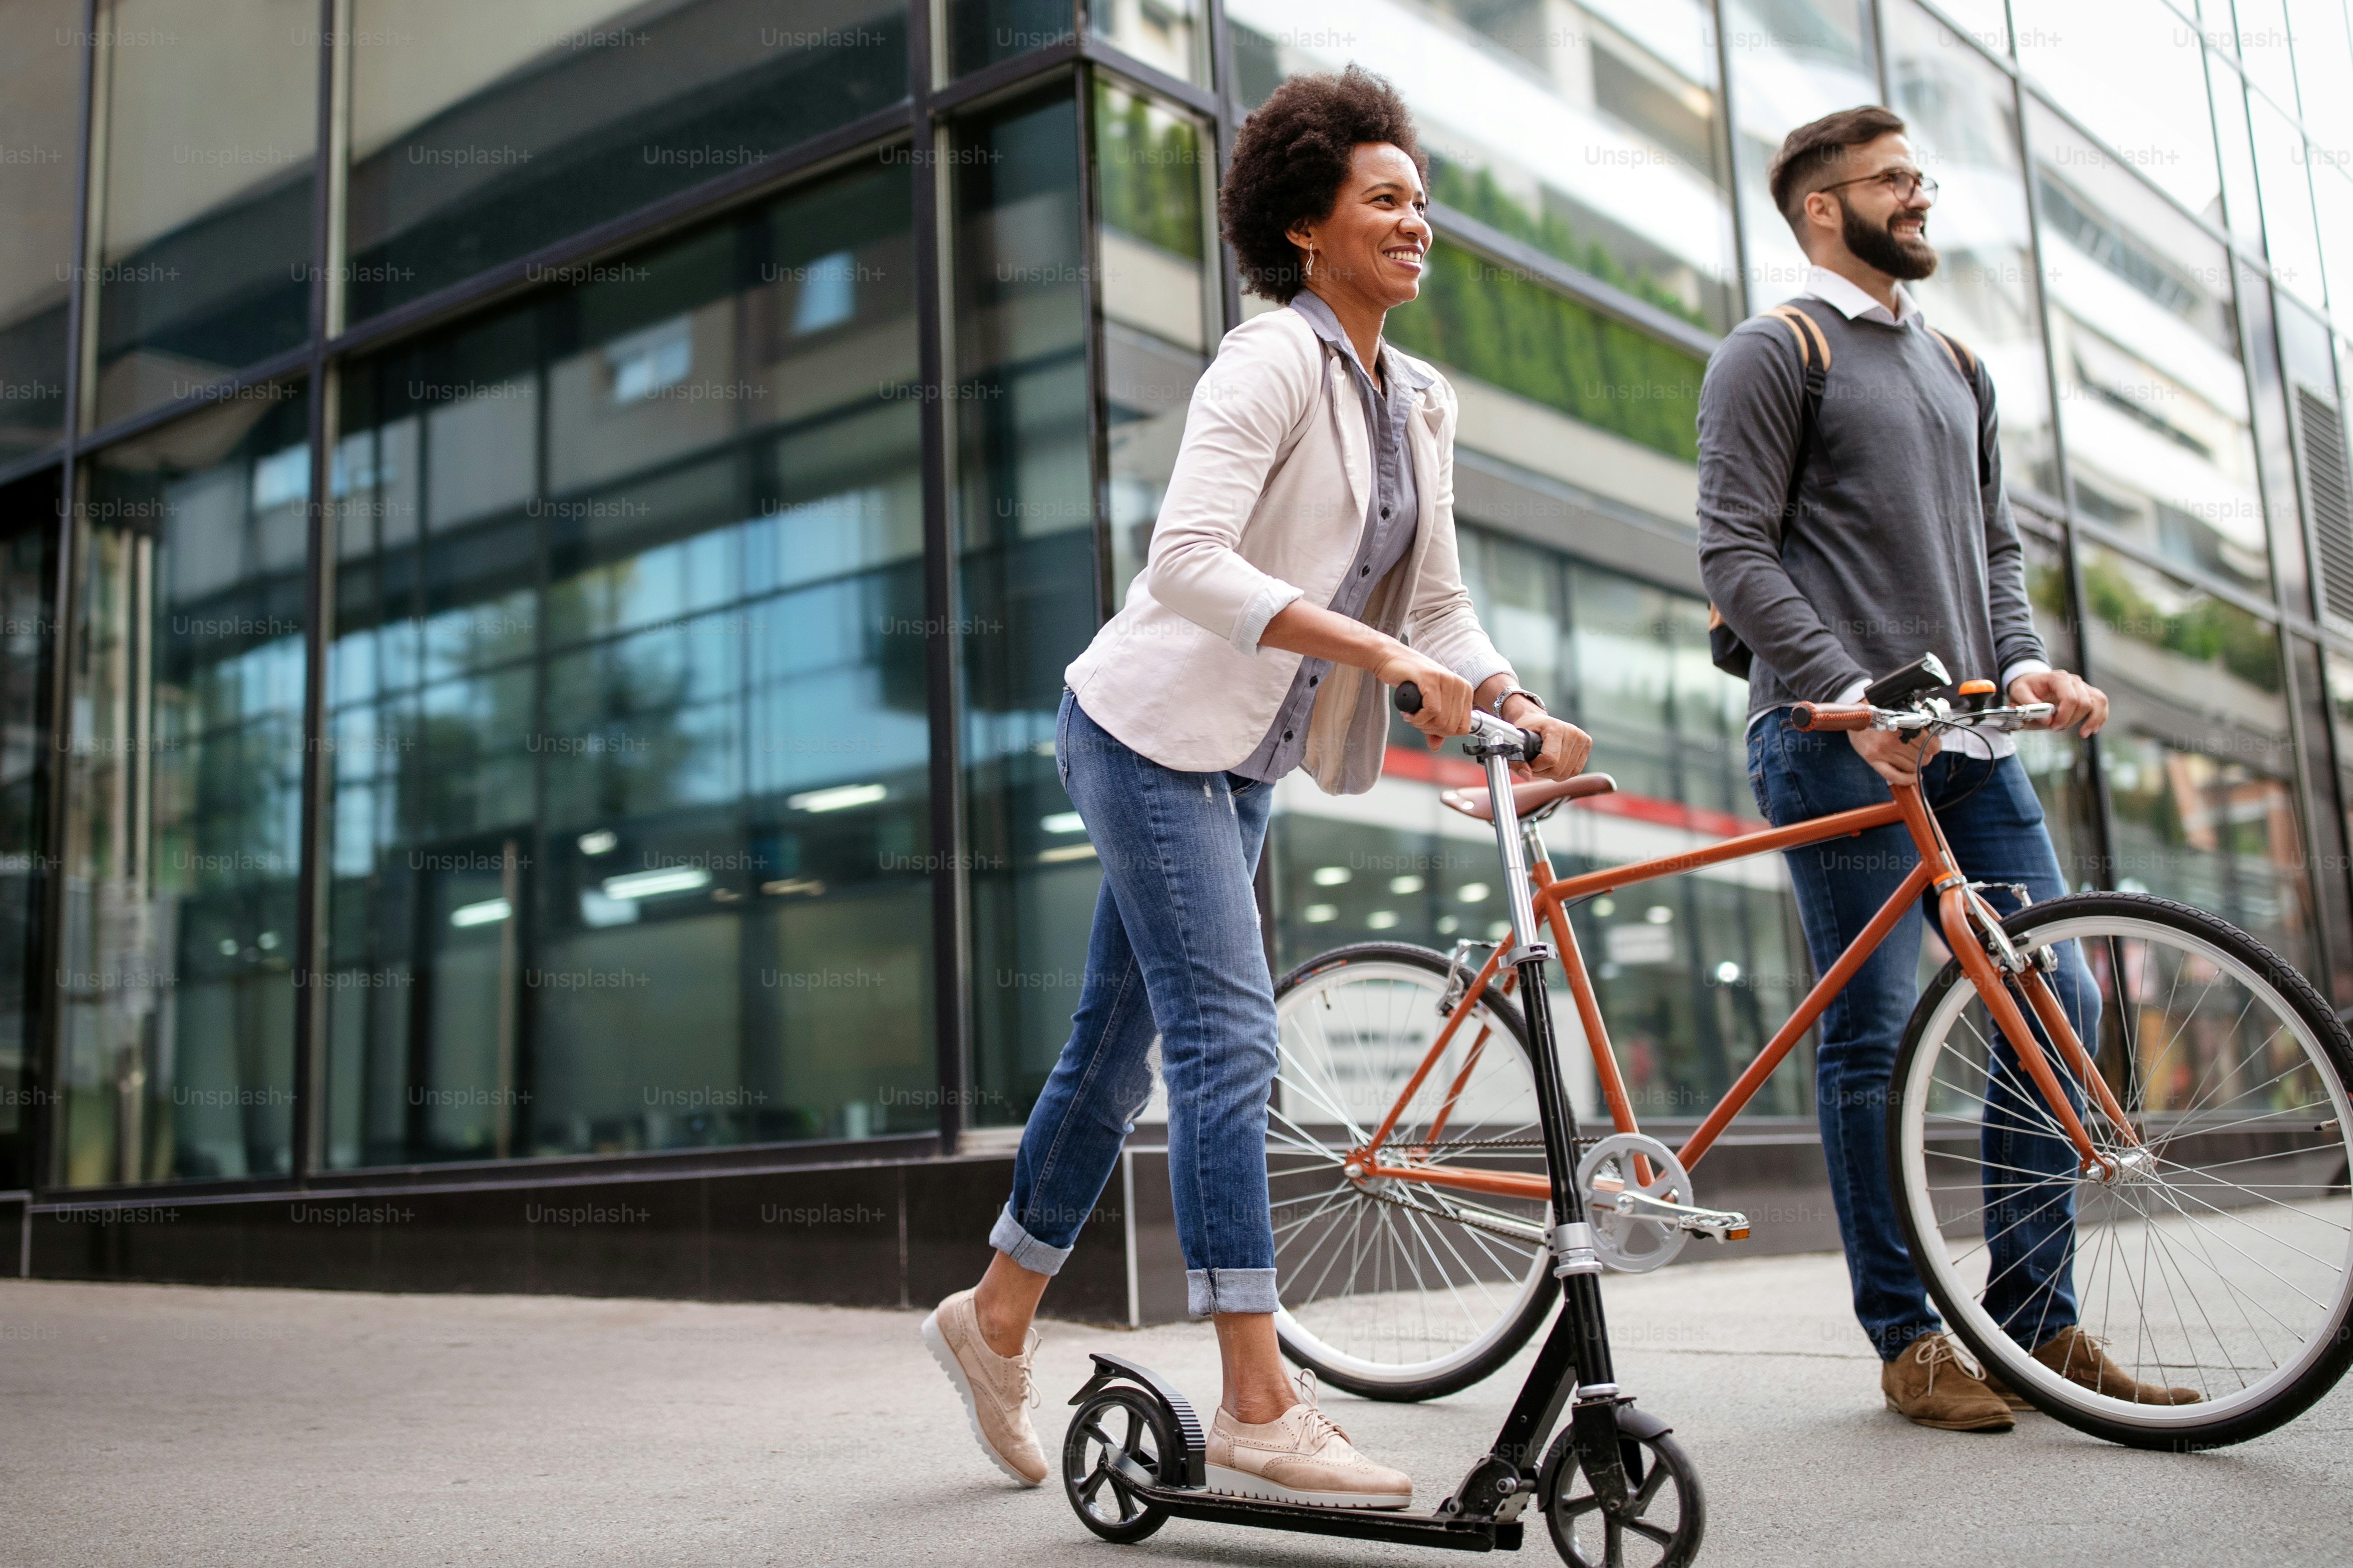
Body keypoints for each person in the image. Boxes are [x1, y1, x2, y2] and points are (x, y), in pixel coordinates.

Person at [920, 66, 1593, 1506]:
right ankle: (1255, 1401)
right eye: (1386, 200)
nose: (1420, 223)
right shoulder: (1268, 360)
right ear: (1304, 225)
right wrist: (1371, 649)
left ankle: (990, 1321)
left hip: (1243, 759)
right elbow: (1185, 562)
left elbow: (1439, 609)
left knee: (1114, 1054)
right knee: (1227, 1040)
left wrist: (1515, 700)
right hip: (1145, 730)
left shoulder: (1420, 398)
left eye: (1424, 201)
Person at [1698, 106, 2197, 1431]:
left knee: (2057, 994)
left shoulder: (1955, 365)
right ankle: (1906, 1338)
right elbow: (1731, 555)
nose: (1916, 201)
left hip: (1972, 744)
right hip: (1831, 746)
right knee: (1868, 1041)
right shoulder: (1774, 350)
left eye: (1919, 178)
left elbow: (1993, 554)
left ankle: (2037, 1323)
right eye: (1890, 183)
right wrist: (1842, 695)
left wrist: (2022, 663)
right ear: (1822, 209)